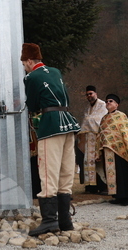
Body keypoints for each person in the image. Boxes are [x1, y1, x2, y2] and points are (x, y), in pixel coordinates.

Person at [21, 42, 80, 237]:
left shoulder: (32, 77)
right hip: (68, 122)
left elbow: (32, 104)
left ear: (30, 61)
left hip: (50, 124)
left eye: (24, 64)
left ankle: (49, 221)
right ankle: (65, 220)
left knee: (47, 172)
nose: (24, 67)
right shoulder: (55, 71)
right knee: (66, 172)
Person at [76, 85, 107, 194]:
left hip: (98, 138)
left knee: (99, 162)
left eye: (91, 94)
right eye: (87, 94)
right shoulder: (87, 109)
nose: (89, 96)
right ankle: (91, 187)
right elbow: (85, 122)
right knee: (88, 163)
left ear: (96, 94)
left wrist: (88, 122)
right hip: (88, 140)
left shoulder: (103, 105)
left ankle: (103, 187)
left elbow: (100, 120)